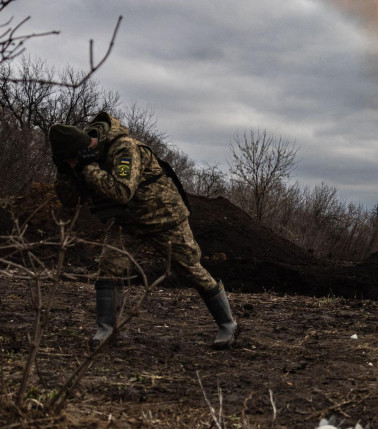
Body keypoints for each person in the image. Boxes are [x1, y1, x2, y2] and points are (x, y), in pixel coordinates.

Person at [49, 112, 239, 350]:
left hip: (164, 218)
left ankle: (228, 324)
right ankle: (106, 330)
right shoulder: (81, 159)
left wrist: (88, 168)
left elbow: (121, 191)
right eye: (67, 162)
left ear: (82, 149)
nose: (72, 165)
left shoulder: (123, 148)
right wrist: (64, 173)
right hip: (127, 222)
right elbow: (70, 202)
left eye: (71, 161)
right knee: (109, 266)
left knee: (190, 269)